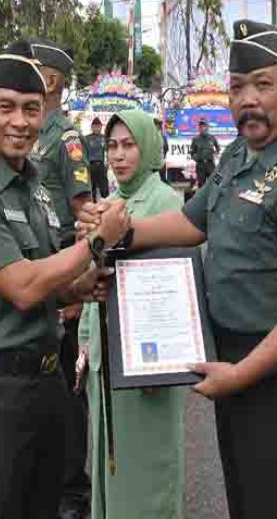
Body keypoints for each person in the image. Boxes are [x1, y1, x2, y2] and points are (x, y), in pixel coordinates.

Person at [81, 20, 277, 519]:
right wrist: (124, 230)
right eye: (237, 86)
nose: (247, 99)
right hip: (233, 362)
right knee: (248, 501)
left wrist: (241, 374)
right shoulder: (238, 156)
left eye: (263, 85)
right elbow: (189, 220)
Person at [0, 50, 127, 519]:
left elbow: (45, 279)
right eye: (7, 107)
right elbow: (23, 286)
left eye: (31, 108)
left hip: (46, 382)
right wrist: (98, 243)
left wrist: (80, 286)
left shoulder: (36, 187)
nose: (20, 121)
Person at [78, 110, 187, 519]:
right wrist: (86, 342)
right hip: (108, 359)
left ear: (148, 148)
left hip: (149, 362)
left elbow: (174, 288)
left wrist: (164, 367)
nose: (119, 156)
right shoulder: (109, 202)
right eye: (112, 146)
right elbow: (94, 279)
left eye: (128, 145)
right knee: (112, 459)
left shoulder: (164, 201)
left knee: (149, 467)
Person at [16, 36, 93, 518]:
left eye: (32, 69)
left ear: (50, 80)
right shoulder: (32, 133)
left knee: (68, 383)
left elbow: (84, 213)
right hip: (37, 268)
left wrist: (79, 286)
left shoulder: (64, 139)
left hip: (63, 268)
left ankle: (73, 489)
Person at [189, 119, 220, 188]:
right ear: (199, 128)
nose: (203, 128)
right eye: (201, 126)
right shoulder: (195, 139)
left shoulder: (212, 138)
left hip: (210, 164)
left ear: (207, 127)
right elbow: (192, 152)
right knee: (201, 185)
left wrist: (215, 154)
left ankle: (212, 198)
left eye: (204, 126)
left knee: (213, 184)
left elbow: (218, 148)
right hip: (200, 165)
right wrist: (196, 158)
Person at [84, 117, 109, 200]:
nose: (97, 128)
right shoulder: (86, 138)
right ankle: (92, 204)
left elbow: (108, 151)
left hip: (101, 165)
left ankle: (106, 204)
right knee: (91, 188)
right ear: (91, 127)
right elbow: (83, 153)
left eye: (98, 126)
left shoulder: (104, 138)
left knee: (104, 188)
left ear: (101, 127)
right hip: (90, 165)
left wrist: (108, 164)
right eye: (95, 126)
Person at [154, 116, 169, 182]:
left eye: (158, 125)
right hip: (155, 164)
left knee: (161, 181)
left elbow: (166, 148)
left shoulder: (162, 137)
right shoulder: (153, 137)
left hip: (159, 163)